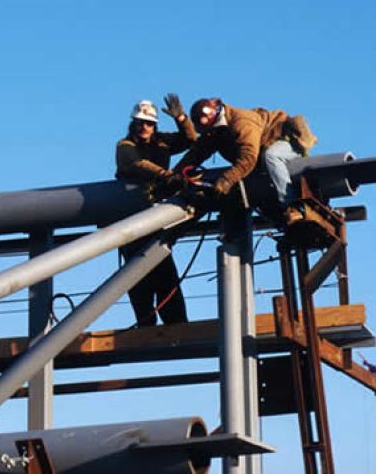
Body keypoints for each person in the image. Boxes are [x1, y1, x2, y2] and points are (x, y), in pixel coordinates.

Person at [115, 93, 197, 326]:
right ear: (134, 123)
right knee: (137, 274)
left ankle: (177, 324)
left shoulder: (161, 141)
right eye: (141, 122)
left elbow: (190, 140)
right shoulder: (125, 146)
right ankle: (146, 324)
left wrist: (181, 118)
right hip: (130, 218)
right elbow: (137, 164)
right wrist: (167, 176)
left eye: (149, 123)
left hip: (155, 215)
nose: (145, 127)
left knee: (164, 272)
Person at [173, 97, 317, 224]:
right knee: (252, 185)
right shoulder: (215, 131)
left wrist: (226, 180)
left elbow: (248, 158)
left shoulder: (241, 122)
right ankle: (278, 217)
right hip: (259, 153)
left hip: (284, 139)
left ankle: (292, 206)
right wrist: (173, 176)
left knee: (272, 156)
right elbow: (197, 153)